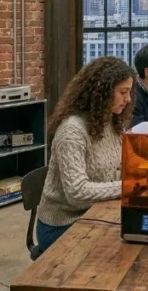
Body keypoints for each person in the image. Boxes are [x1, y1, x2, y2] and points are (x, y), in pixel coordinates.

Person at [34, 57, 135, 258]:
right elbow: (76, 192)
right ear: (103, 93)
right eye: (123, 92)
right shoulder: (72, 131)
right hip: (62, 223)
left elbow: (121, 166)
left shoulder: (112, 122)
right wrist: (129, 187)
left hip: (96, 211)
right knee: (122, 252)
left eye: (129, 92)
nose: (129, 99)